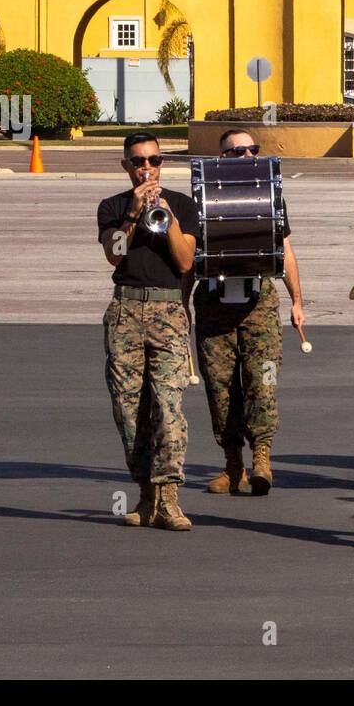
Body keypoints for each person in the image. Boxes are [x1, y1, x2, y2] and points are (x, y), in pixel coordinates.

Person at [193, 129, 306, 496]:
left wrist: (297, 301)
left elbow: (285, 252)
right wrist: (180, 306)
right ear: (221, 157)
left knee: (264, 381)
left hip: (258, 303)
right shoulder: (202, 198)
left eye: (252, 150)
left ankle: (262, 459)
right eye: (237, 151)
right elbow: (189, 257)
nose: (246, 156)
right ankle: (233, 466)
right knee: (220, 387)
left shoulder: (269, 197)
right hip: (214, 303)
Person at [97, 132, 200, 531]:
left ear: (162, 164)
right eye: (138, 161)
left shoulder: (184, 205)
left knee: (169, 406)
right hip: (125, 308)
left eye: (153, 161)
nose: (146, 168)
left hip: (168, 308)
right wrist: (134, 214)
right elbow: (114, 252)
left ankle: (169, 496)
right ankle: (144, 493)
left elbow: (186, 260)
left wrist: (169, 219)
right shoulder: (112, 206)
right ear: (126, 166)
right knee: (128, 409)